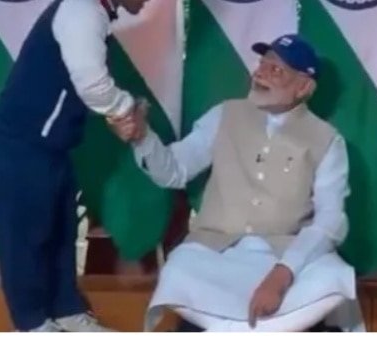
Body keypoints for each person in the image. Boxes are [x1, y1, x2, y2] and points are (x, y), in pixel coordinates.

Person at [0, 0, 171, 332]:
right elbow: (93, 85)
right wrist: (126, 111)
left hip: (49, 151)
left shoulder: (94, 8)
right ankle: (32, 325)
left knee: (61, 236)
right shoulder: (83, 11)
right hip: (18, 149)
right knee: (27, 243)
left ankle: (67, 312)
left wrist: (129, 110)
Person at [110, 34, 361, 332]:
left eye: (276, 70)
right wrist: (142, 139)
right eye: (262, 64)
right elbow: (174, 170)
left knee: (331, 277)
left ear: (303, 87)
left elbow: (331, 219)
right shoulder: (225, 114)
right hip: (216, 253)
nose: (260, 74)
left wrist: (282, 276)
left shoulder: (327, 140)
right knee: (179, 270)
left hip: (285, 255)